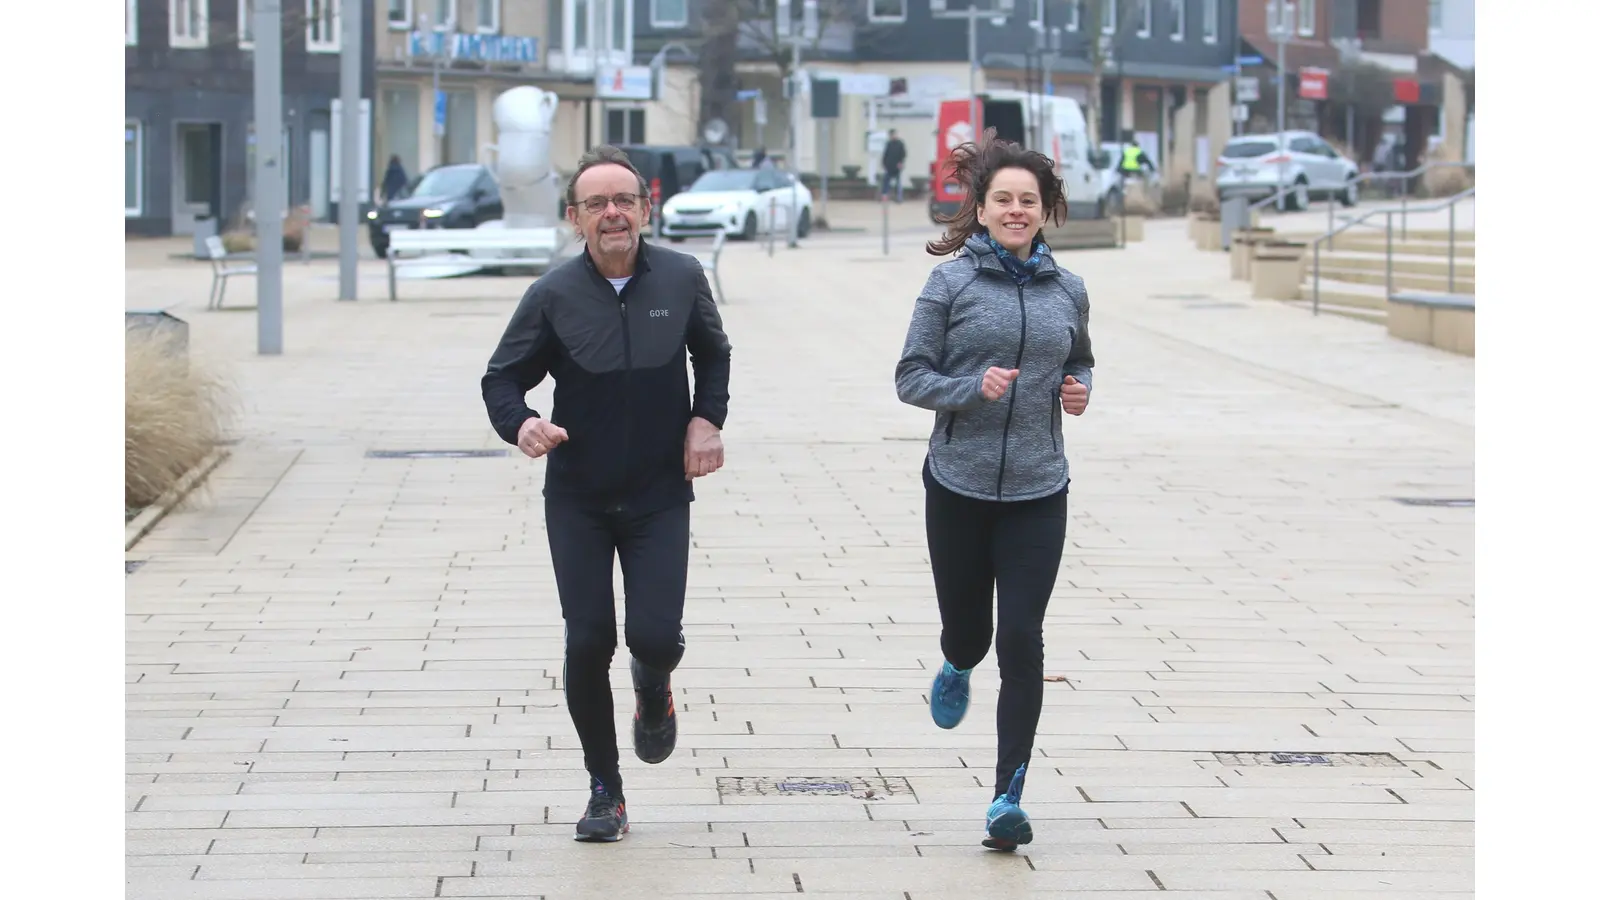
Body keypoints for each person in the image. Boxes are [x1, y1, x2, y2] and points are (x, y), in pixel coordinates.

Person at [480, 145, 733, 843]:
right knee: (589, 639)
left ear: (646, 209)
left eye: (625, 200)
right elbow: (501, 378)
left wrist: (706, 419)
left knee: (653, 636)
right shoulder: (553, 296)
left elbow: (713, 354)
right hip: (579, 499)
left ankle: (653, 686)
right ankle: (605, 790)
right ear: (575, 219)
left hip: (658, 494)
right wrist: (522, 423)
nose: (613, 213)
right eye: (597, 204)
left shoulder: (682, 278)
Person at [894, 129, 1094, 853]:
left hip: (1041, 487)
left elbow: (1082, 360)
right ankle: (954, 660)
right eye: (1002, 199)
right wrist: (970, 389)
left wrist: (1079, 390)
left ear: (1045, 212)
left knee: (1022, 638)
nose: (1016, 210)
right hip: (958, 484)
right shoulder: (949, 284)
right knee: (973, 635)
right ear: (979, 210)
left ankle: (1008, 794)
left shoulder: (1068, 289)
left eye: (1028, 201)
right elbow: (910, 376)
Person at [880, 129, 907, 203]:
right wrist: (884, 164)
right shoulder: (888, 144)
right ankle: (885, 196)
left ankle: (899, 198)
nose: (893, 136)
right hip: (889, 166)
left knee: (898, 183)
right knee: (886, 182)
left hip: (897, 166)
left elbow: (903, 154)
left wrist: (901, 163)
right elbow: (885, 155)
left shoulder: (900, 144)